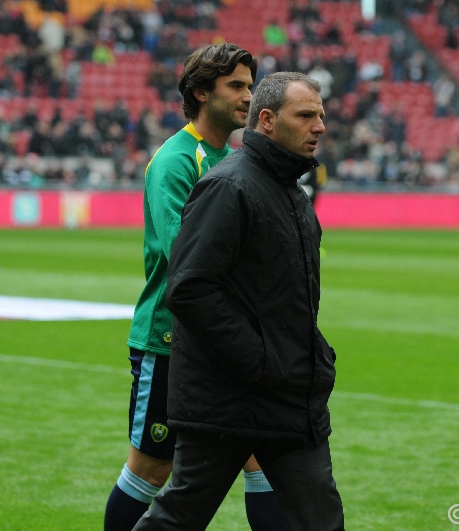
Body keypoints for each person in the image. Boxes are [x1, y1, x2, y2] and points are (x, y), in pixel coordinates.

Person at [133, 71, 344, 531]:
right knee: (179, 517)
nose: (320, 126)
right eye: (306, 115)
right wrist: (259, 360)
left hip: (286, 396)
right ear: (266, 120)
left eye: (321, 115)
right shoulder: (230, 186)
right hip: (228, 399)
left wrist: (311, 356)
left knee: (321, 519)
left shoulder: (291, 192)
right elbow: (189, 287)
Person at [105, 43, 291, 531]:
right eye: (235, 86)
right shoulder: (175, 162)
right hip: (169, 340)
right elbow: (185, 253)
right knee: (151, 469)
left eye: (251, 86)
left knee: (260, 455)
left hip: (224, 338)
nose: (248, 97)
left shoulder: (230, 157)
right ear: (200, 92)